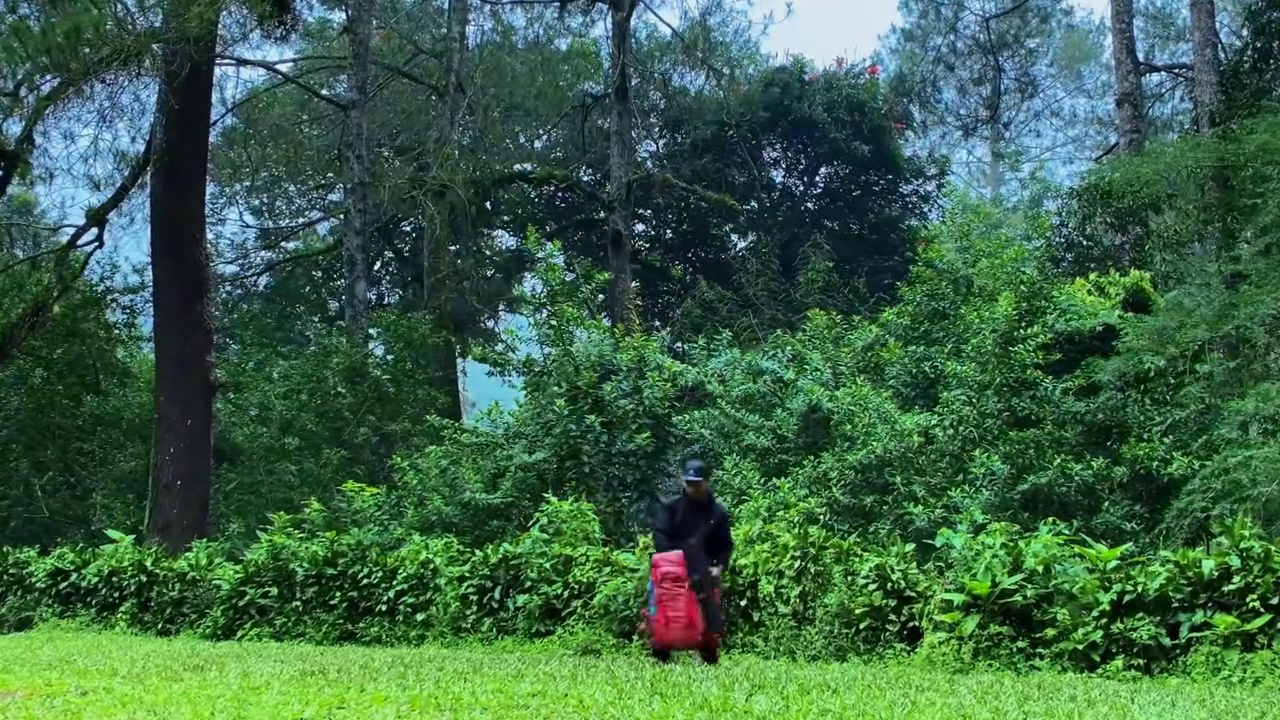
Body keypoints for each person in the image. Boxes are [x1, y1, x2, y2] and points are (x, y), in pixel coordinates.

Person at [649, 459, 734, 663]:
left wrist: (719, 566)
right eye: (689, 484)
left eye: (697, 484)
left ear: (707, 482)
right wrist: (673, 563)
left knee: (708, 622)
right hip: (672, 573)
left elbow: (725, 545)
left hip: (704, 571)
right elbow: (660, 537)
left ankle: (709, 658)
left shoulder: (717, 513)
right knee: (662, 614)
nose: (693, 488)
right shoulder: (672, 508)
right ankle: (661, 656)